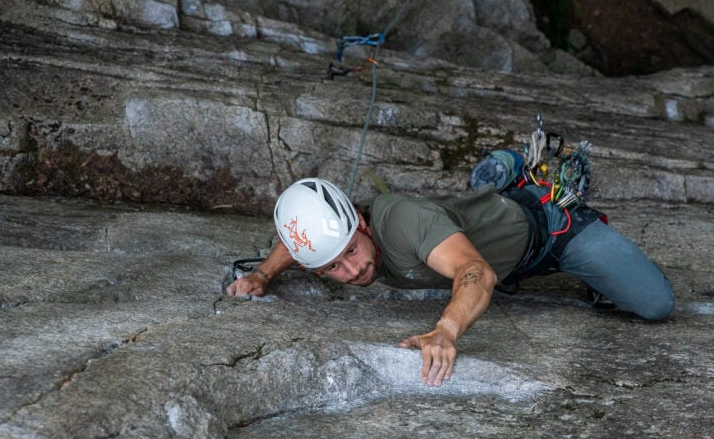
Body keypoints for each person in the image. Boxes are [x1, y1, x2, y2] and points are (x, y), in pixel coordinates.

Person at [226, 163, 675, 386]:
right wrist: (264, 275)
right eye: (333, 269)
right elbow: (297, 241)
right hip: (507, 255)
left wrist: (446, 330)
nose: (353, 270)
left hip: (550, 233)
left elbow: (475, 270)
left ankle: (535, 184)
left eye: (352, 252)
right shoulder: (328, 244)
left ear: (361, 223)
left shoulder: (403, 222)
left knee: (655, 304)